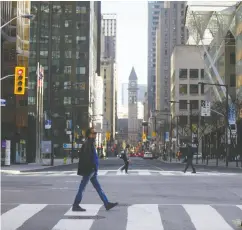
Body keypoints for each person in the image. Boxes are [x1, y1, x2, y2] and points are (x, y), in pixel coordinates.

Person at [72, 127, 118, 212]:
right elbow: (86, 158)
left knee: (98, 188)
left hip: (92, 171)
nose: (95, 135)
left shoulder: (90, 143)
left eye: (95, 134)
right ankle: (75, 205)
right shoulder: (87, 143)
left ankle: (106, 203)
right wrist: (92, 167)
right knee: (82, 188)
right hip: (89, 171)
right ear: (89, 134)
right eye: (93, 133)